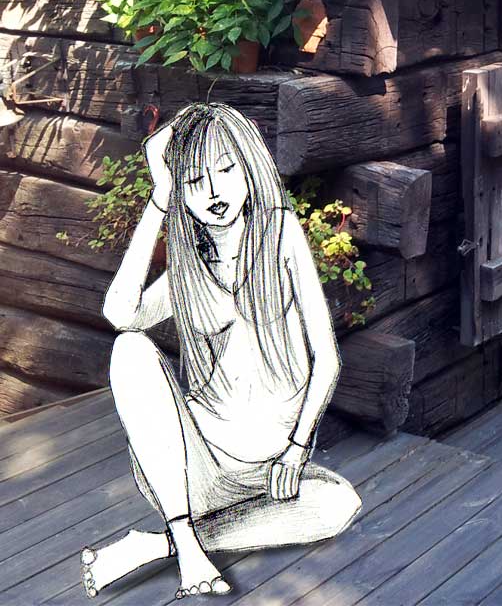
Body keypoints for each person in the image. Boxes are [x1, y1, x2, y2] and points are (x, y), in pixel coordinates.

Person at [81, 102, 362, 600]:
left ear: (248, 167)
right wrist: (159, 198)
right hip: (192, 471)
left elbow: (327, 359)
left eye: (226, 170)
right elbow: (120, 313)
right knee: (128, 350)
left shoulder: (279, 236)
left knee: (337, 505)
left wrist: (298, 448)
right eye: (193, 181)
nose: (212, 192)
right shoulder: (189, 269)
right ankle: (187, 544)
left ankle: (160, 545)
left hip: (272, 467)